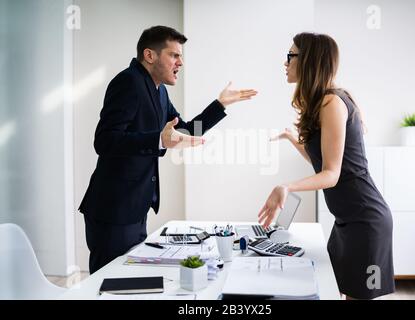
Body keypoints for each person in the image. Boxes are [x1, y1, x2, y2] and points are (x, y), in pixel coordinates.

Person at [79, 26, 257, 274]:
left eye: (180, 56)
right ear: (150, 55)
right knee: (108, 283)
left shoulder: (159, 90)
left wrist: (219, 105)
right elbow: (105, 140)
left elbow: (185, 132)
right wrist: (158, 140)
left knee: (126, 281)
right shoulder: (128, 82)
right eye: (174, 55)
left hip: (135, 208)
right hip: (114, 210)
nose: (180, 62)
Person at [258, 32, 394, 299]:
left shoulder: (332, 102)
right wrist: (291, 138)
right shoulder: (323, 101)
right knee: (336, 291)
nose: (285, 62)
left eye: (290, 56)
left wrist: (286, 186)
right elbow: (321, 162)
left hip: (366, 222)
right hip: (347, 221)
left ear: (309, 60)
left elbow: (331, 175)